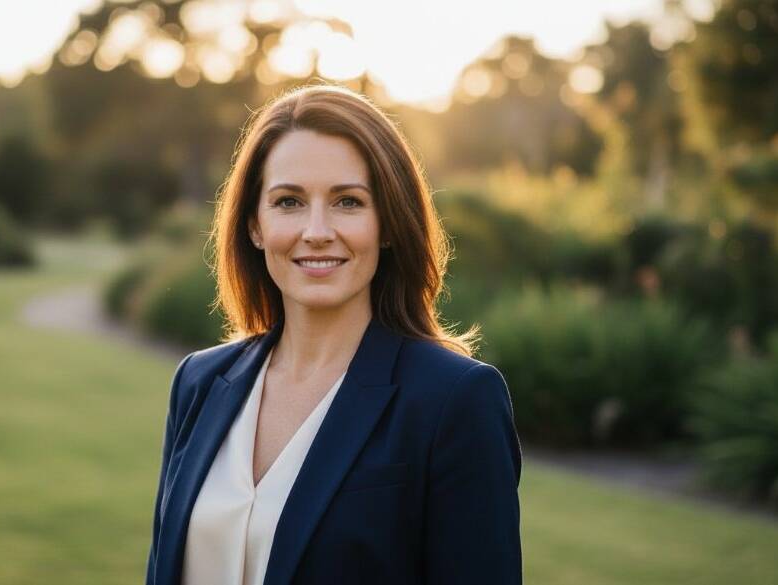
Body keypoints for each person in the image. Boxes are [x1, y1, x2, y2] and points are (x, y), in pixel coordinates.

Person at [145, 84, 522, 585]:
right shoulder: (198, 382)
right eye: (288, 202)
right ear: (255, 225)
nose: (317, 230)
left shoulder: (454, 401)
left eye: (347, 201)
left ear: (387, 223)